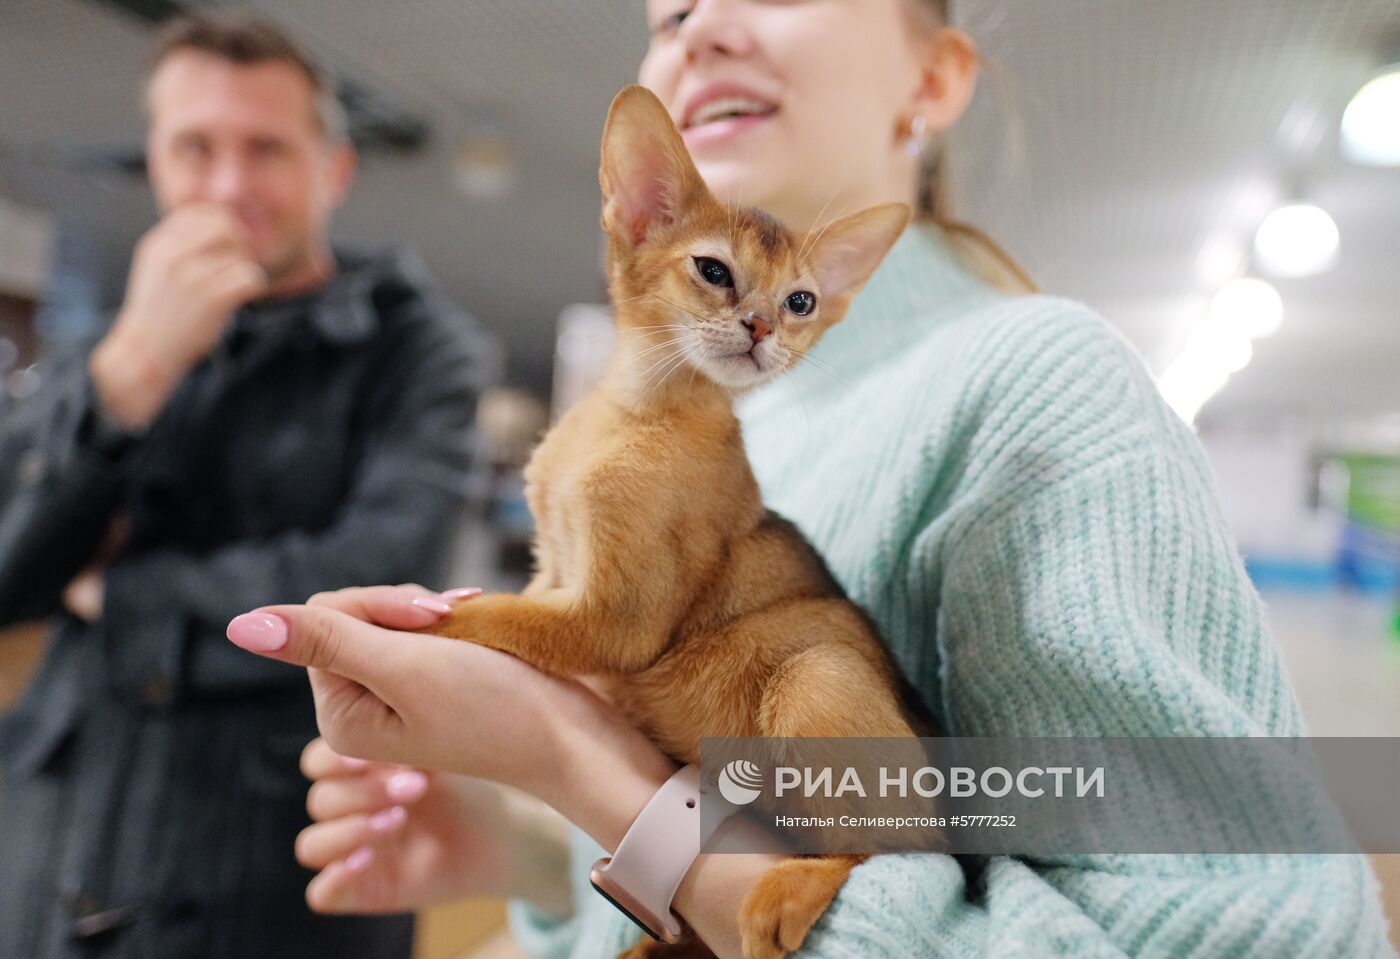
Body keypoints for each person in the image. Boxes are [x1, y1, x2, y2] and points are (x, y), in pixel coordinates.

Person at [226, 0, 1395, 956]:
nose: (703, 29)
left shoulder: (1038, 384)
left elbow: (1266, 934)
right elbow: (716, 822)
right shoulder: (742, 410)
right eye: (668, 10)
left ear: (932, 80)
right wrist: (532, 845)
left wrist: (573, 763)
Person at [0, 11, 493, 959]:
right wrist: (129, 377)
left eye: (265, 148)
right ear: (154, 161)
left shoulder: (421, 352)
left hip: (275, 883)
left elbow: (376, 578)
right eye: (194, 147)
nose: (227, 186)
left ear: (332, 169)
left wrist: (115, 590)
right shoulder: (111, 339)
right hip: (47, 861)